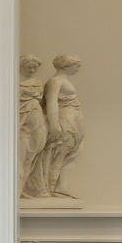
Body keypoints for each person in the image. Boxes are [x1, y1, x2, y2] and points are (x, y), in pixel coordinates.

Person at [37, 54, 85, 199]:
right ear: (65, 66)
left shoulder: (63, 80)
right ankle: (51, 188)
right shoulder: (55, 81)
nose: (78, 69)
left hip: (74, 120)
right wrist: (53, 124)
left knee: (72, 152)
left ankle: (61, 187)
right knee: (59, 152)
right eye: (76, 65)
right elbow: (51, 102)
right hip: (65, 119)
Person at [18, 55, 48, 197]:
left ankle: (22, 188)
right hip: (22, 124)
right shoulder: (14, 81)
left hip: (37, 120)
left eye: (34, 68)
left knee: (32, 156)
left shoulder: (37, 82)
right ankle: (16, 190)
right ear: (22, 66)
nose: (32, 70)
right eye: (29, 67)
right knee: (20, 158)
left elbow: (42, 102)